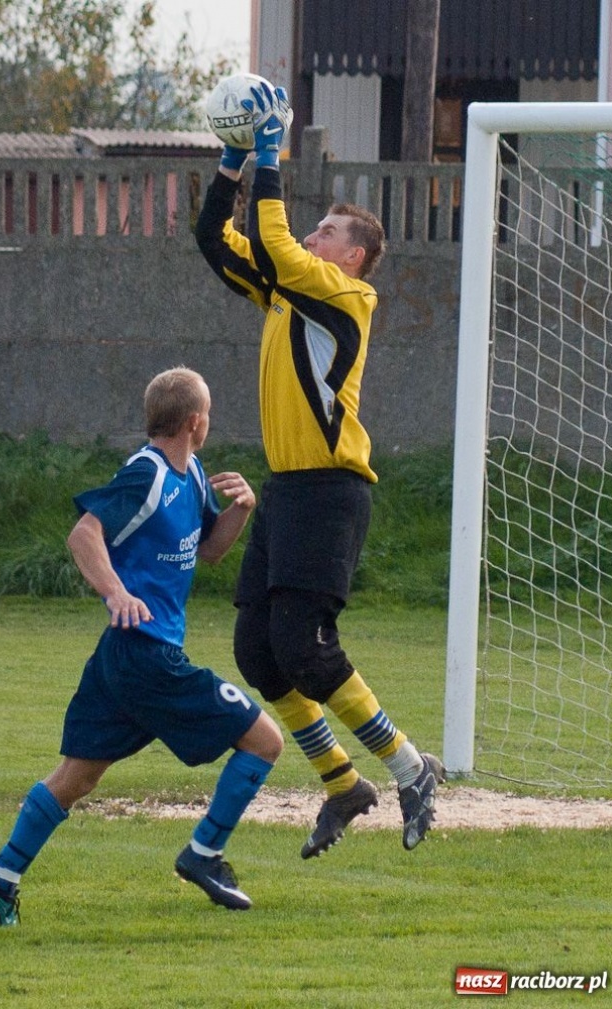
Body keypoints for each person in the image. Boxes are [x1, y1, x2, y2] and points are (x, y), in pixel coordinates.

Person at [195, 82, 444, 861]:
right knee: (258, 652)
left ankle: (410, 767)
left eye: (327, 228)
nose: (313, 232)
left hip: (330, 492)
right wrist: (234, 162)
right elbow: (214, 238)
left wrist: (272, 155)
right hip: (287, 490)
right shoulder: (289, 287)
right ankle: (343, 782)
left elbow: (271, 244)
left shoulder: (346, 293)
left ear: (352, 254)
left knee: (305, 646)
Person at [0, 367, 283, 925]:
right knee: (265, 741)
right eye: (208, 414)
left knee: (77, 777)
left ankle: (1, 881)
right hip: (148, 655)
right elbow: (83, 532)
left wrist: (240, 511)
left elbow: (208, 551)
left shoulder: (191, 474)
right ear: (196, 421)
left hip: (124, 658)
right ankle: (204, 854)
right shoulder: (148, 475)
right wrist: (116, 592)